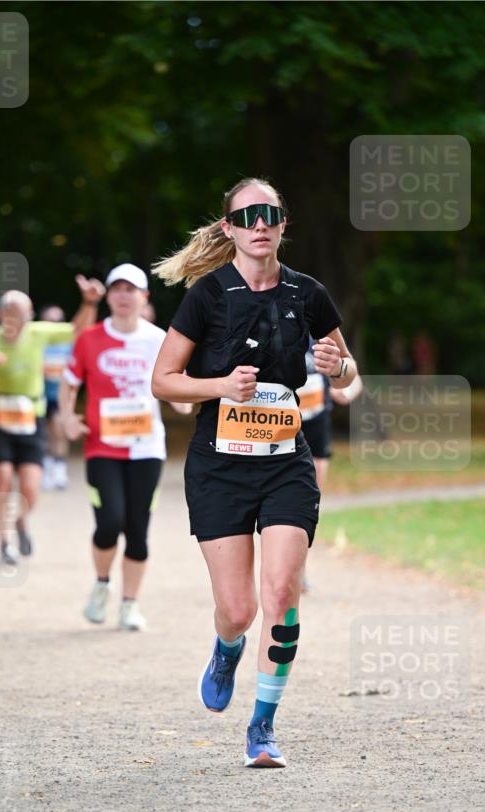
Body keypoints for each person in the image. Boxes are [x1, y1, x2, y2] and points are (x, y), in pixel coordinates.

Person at [151, 177, 357, 768]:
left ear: (283, 223)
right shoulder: (207, 295)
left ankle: (262, 726)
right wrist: (221, 385)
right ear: (230, 229)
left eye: (270, 214)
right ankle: (226, 645)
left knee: (281, 593)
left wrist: (336, 365)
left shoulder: (308, 293)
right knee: (240, 608)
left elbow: (346, 369)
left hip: (286, 463)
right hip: (219, 465)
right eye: (248, 216)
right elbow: (163, 380)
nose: (259, 224)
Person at [59, 263, 192, 631]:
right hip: (102, 447)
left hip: (147, 448)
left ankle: (130, 605)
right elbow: (68, 384)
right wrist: (68, 417)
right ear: (108, 297)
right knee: (109, 522)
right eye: (116, 288)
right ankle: (102, 585)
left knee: (137, 527)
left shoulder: (158, 339)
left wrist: (184, 401)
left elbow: (177, 385)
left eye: (130, 289)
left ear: (143, 297)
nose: (122, 296)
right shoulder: (89, 339)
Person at [0, 275, 103, 564]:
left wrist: (89, 302)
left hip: (30, 419)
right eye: (14, 314)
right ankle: (3, 543)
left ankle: (21, 521)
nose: (20, 320)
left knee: (30, 489)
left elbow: (77, 330)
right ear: (2, 315)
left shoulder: (38, 333)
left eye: (24, 315)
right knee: (2, 479)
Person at [299, 346, 363, 591]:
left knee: (309, 502)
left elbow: (352, 373)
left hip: (316, 426)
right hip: (280, 425)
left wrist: (345, 392)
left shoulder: (321, 330)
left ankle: (299, 571)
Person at [39, 304, 72, 491]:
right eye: (50, 321)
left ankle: (60, 470)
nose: (54, 325)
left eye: (58, 321)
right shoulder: (37, 342)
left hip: (60, 395)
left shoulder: (68, 344)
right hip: (40, 395)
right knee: (44, 434)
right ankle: (46, 467)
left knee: (59, 431)